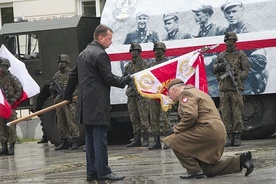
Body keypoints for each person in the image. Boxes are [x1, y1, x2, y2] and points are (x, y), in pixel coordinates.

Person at [63, 24, 132, 182]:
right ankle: (103, 172)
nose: (110, 42)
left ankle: (92, 173)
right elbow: (108, 78)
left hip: (85, 105)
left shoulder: (83, 53)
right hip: (97, 105)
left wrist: (66, 95)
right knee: (99, 140)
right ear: (100, 38)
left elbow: (73, 76)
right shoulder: (100, 54)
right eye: (109, 39)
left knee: (91, 141)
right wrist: (125, 80)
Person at [163, 78, 254, 179]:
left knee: (172, 140)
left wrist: (176, 129)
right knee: (209, 170)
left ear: (174, 90)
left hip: (207, 129)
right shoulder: (197, 92)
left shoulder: (185, 94)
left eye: (169, 93)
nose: (169, 96)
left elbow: (191, 115)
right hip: (218, 131)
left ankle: (194, 171)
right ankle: (241, 160)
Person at [220, 0, 268, 94]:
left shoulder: (249, 31)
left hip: (248, 84)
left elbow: (261, 61)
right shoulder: (225, 32)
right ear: (225, 15)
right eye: (228, 12)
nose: (231, 15)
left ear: (242, 11)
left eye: (234, 11)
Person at [212, 32, 250, 147]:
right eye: (227, 41)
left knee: (237, 113)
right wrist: (220, 67)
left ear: (235, 41)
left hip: (235, 88)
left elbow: (246, 69)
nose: (229, 43)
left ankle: (237, 136)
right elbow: (214, 69)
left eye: (231, 41)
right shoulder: (221, 56)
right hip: (224, 89)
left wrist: (239, 77)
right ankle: (229, 136)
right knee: (226, 114)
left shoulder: (240, 55)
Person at [49, 54, 79, 150]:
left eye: (62, 62)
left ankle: (75, 141)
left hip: (69, 102)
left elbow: (78, 87)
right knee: (61, 121)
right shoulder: (56, 75)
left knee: (71, 121)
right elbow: (51, 87)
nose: (60, 64)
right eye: (59, 62)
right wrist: (53, 89)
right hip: (59, 101)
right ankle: (63, 141)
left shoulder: (71, 74)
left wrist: (71, 95)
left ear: (66, 62)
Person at [124, 43, 150, 147]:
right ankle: (136, 138)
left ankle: (146, 138)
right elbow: (124, 78)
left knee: (143, 117)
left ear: (139, 52)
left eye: (136, 51)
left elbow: (148, 78)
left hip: (141, 94)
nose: (133, 53)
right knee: (134, 117)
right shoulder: (128, 66)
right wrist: (128, 80)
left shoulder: (144, 64)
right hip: (131, 94)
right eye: (132, 51)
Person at [148, 42, 172, 150]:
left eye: (159, 49)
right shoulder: (151, 64)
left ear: (163, 50)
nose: (157, 51)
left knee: (165, 118)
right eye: (155, 49)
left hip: (165, 94)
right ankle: (156, 141)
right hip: (154, 94)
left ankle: (168, 141)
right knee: (154, 118)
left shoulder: (168, 63)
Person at [0, 57, 23, 156]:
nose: (1, 68)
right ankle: (3, 145)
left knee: (11, 127)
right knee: (1, 126)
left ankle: (11, 146)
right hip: (2, 107)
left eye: (2, 66)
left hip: (10, 106)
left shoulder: (12, 78)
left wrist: (13, 100)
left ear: (7, 67)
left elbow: (20, 90)